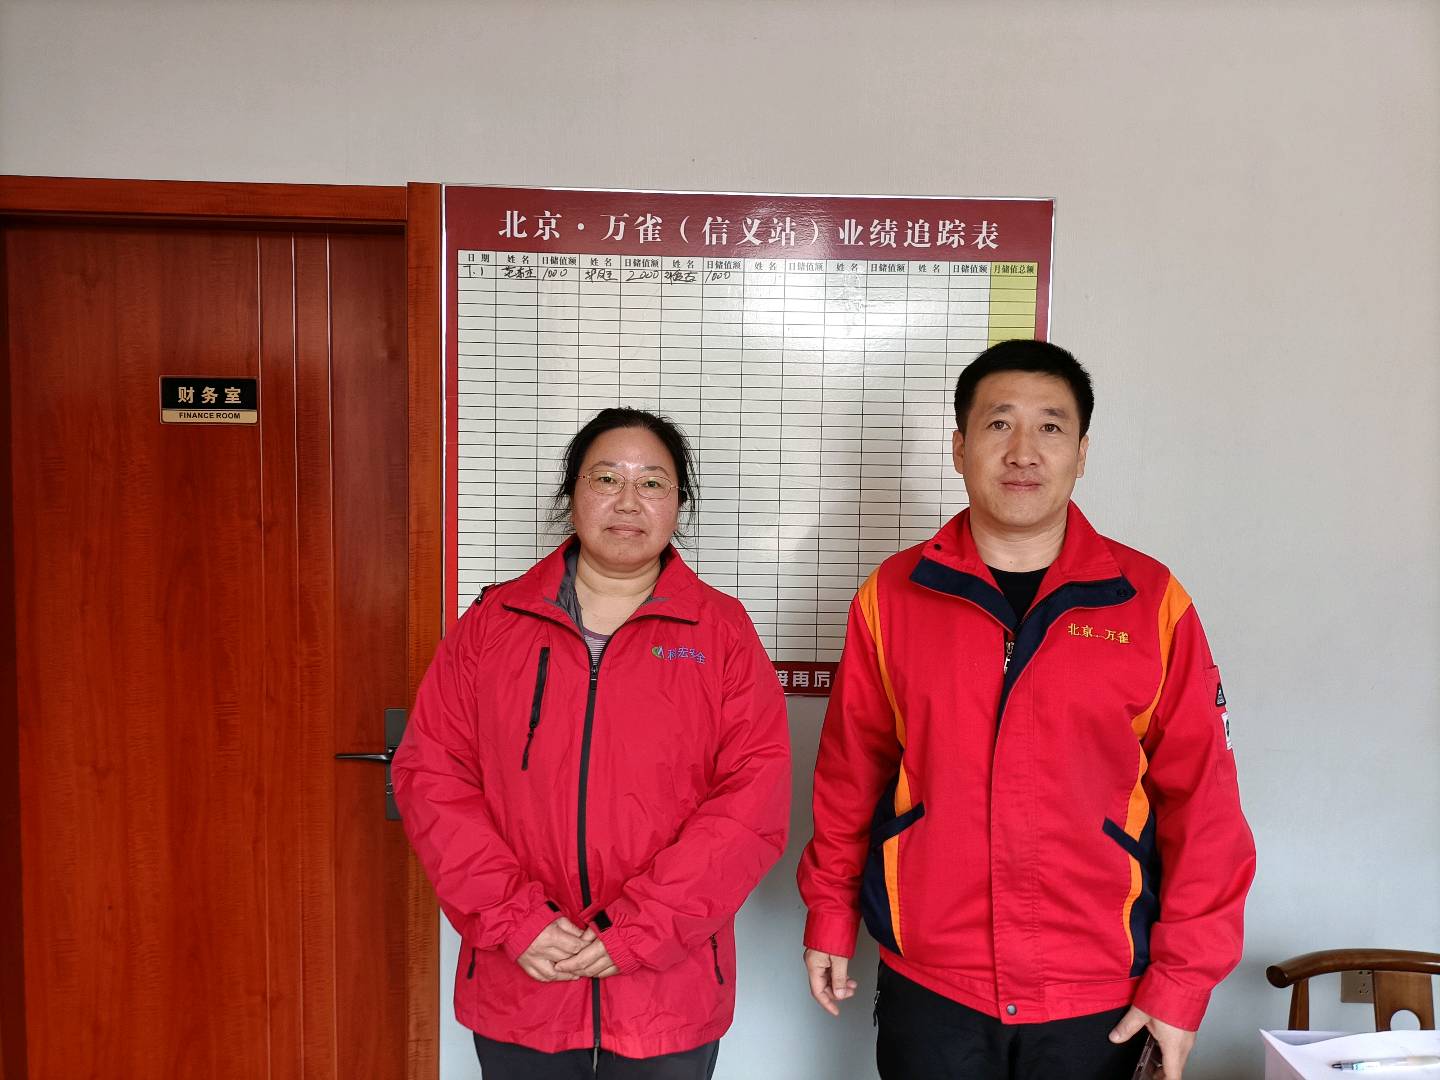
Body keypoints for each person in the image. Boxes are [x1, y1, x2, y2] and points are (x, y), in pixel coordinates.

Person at [796, 340, 1255, 1080]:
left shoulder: (1150, 603)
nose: (1023, 451)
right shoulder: (892, 597)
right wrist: (829, 912)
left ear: (1082, 452)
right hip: (933, 984)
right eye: (998, 424)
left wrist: (1181, 983)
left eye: (1050, 427)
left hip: (1098, 992)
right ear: (959, 448)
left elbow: (1205, 804)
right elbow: (850, 774)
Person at [394, 407, 790, 1079]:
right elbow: (433, 777)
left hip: (666, 988)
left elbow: (752, 802)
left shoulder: (721, 632)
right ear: (572, 494)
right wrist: (516, 920)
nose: (628, 501)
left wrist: (640, 929)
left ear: (679, 503)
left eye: (653, 482)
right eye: (606, 478)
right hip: (525, 978)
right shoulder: (492, 624)